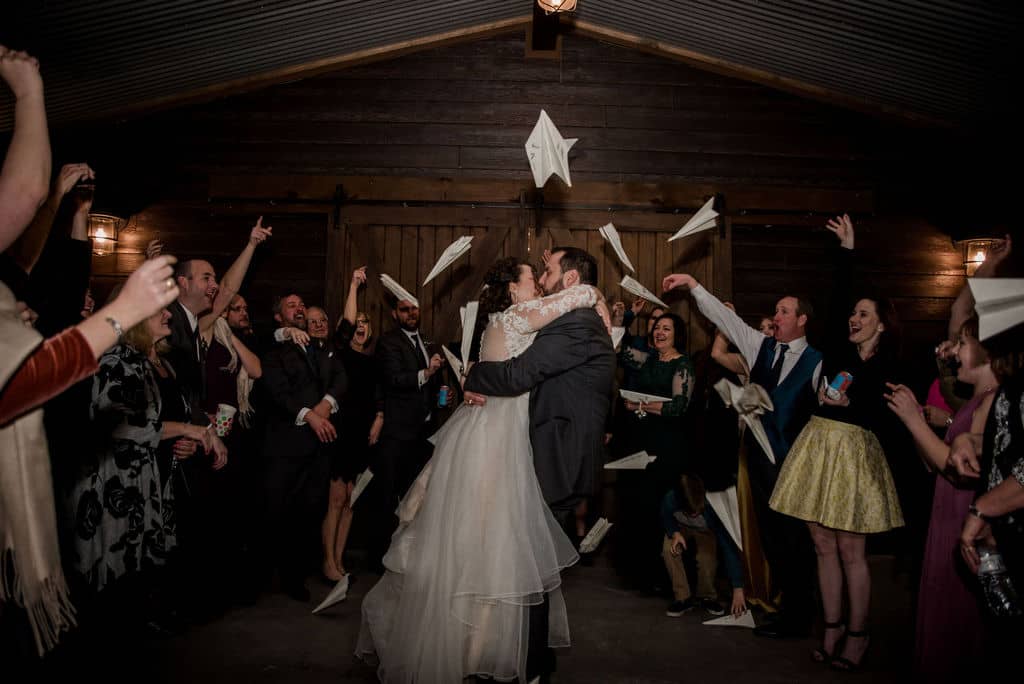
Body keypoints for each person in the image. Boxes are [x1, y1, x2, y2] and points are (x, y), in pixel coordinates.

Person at [357, 256, 609, 683]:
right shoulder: (519, 315)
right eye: (535, 277)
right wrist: (593, 292)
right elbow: (524, 367)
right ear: (514, 287)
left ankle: (482, 647)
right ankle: (491, 651)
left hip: (499, 433)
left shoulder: (512, 319)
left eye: (545, 274)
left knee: (485, 543)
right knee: (500, 545)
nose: (542, 285)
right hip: (501, 440)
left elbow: (514, 369)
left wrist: (475, 376)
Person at [663, 270, 822, 640]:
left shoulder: (817, 360)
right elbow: (726, 319)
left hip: (795, 464)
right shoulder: (760, 347)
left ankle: (804, 610)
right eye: (775, 312)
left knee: (796, 539)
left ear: (802, 320)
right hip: (760, 464)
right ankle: (787, 609)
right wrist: (694, 285)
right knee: (772, 540)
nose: (776, 317)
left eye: (784, 312)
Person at [886, 315, 996, 680]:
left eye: (963, 345)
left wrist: (913, 422)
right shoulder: (976, 398)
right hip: (947, 510)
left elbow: (960, 470)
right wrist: (924, 422)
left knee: (955, 616)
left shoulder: (991, 401)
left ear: (986, 350)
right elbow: (943, 458)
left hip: (964, 513)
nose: (955, 353)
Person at [322, 267, 381, 582]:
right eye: (358, 323)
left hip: (362, 434)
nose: (360, 327)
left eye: (365, 324)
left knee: (351, 501)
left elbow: (378, 398)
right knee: (336, 499)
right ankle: (327, 560)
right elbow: (345, 322)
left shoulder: (373, 362)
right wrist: (353, 286)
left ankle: (340, 560)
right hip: (340, 430)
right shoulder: (341, 353)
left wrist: (379, 419)